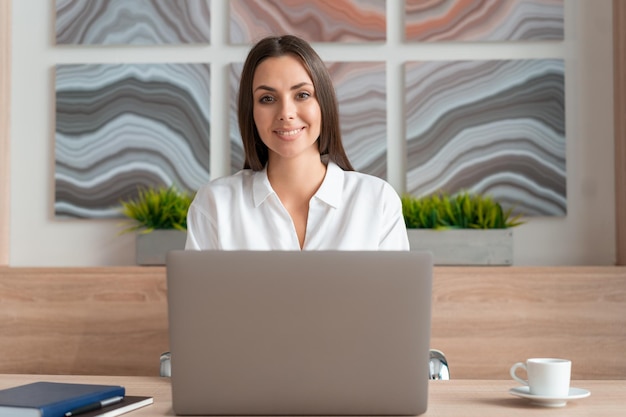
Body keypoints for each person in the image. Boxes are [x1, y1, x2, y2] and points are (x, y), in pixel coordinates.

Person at [185, 35, 409, 251]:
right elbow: (197, 291)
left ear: (323, 103)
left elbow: (397, 291)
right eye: (267, 99)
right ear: (250, 111)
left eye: (302, 95)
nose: (286, 113)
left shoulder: (377, 201)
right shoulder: (215, 205)